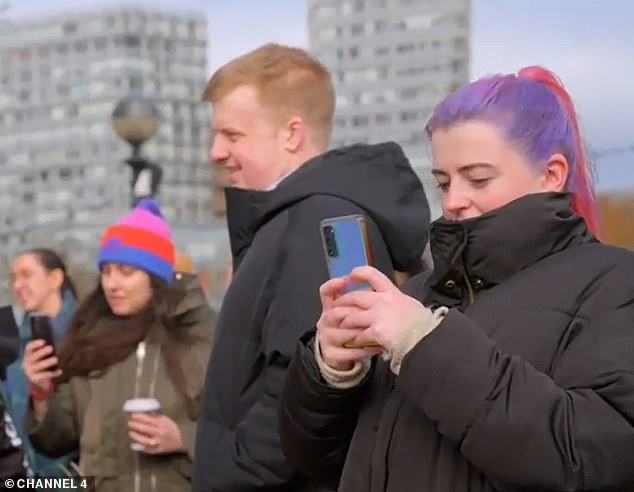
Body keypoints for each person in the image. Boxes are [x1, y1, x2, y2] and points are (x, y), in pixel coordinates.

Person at [278, 66, 634, 491]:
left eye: (478, 179)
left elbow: (593, 459)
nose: (454, 201)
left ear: (552, 174)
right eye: (443, 182)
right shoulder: (414, 295)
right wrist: (331, 373)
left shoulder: (614, 284)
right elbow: (322, 464)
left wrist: (425, 345)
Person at [192, 43, 430, 491]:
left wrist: (226, 473)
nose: (215, 152)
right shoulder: (293, 220)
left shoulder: (323, 223)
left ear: (292, 134)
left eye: (232, 135)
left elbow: (312, 386)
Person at [22, 199, 215, 492]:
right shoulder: (87, 340)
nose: (112, 284)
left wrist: (182, 438)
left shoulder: (202, 335)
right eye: (107, 271)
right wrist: (40, 391)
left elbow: (243, 434)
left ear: (155, 276)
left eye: (126, 272)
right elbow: (56, 440)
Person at [6, 249, 79, 480]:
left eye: (26, 275)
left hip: (77, 477)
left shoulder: (87, 336)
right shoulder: (13, 345)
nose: (17, 285)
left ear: (55, 279)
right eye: (13, 278)